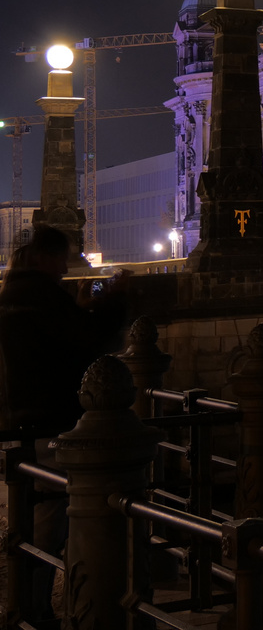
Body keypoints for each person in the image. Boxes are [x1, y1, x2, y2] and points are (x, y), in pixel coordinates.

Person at [0, 226, 128, 618]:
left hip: (22, 423)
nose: (63, 267)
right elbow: (90, 344)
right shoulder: (40, 297)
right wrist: (113, 304)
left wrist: (81, 308)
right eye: (59, 258)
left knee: (36, 515)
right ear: (41, 258)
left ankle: (29, 603)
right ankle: (34, 608)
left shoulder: (13, 295)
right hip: (48, 423)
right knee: (51, 522)